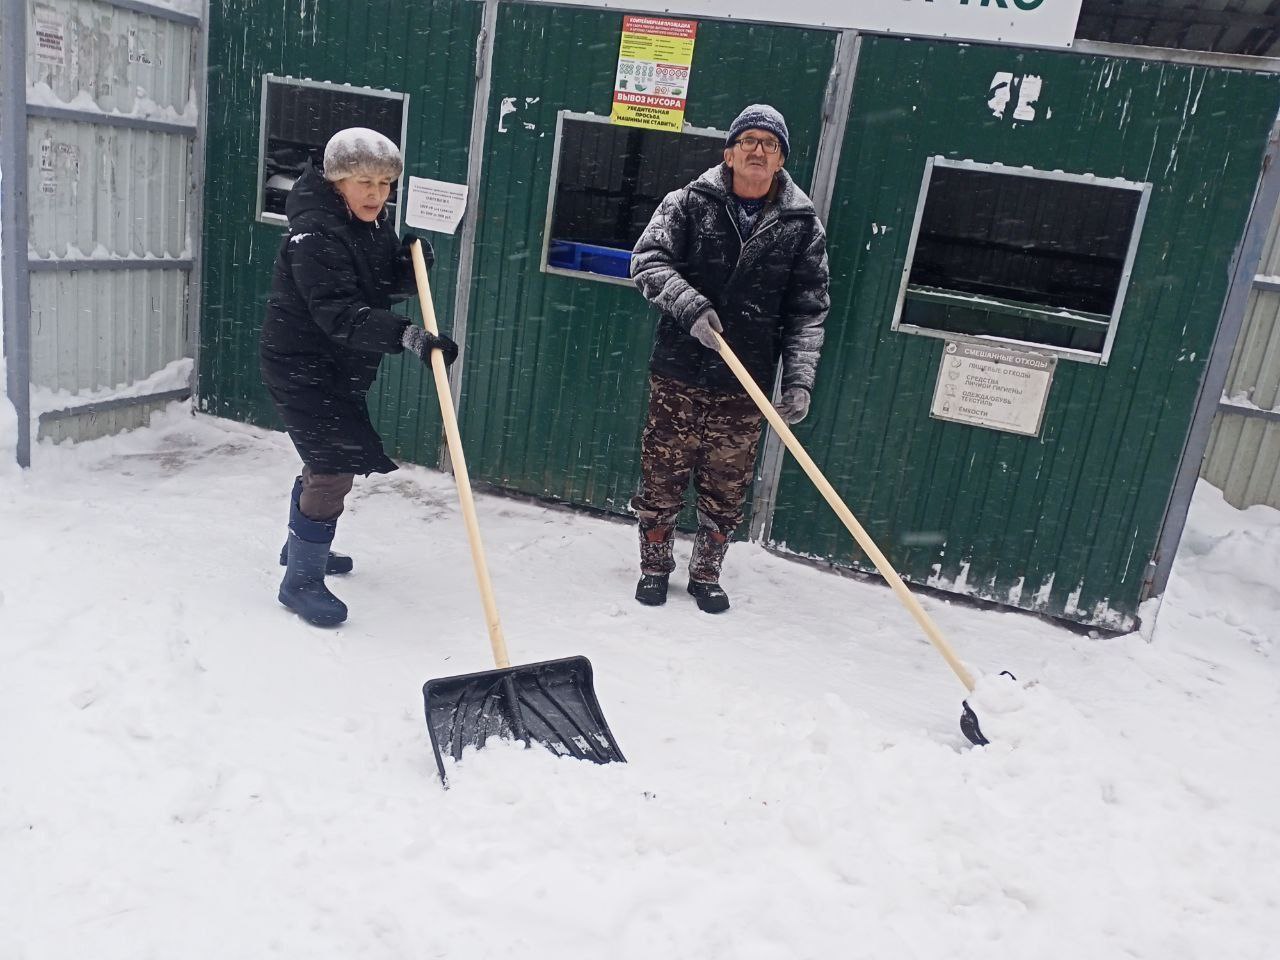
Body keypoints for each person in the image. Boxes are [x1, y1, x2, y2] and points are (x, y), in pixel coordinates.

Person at [629, 104, 831, 613]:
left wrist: (799, 380)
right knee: (663, 473)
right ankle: (654, 567)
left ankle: (706, 574)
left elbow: (808, 311)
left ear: (781, 160)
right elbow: (647, 261)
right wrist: (690, 305)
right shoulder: (688, 204)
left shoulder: (802, 228)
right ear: (729, 152)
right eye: (749, 141)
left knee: (727, 482)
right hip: (679, 368)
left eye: (770, 144)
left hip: (747, 382)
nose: (758, 150)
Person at [260, 127, 458, 627]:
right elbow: (341, 313)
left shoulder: (365, 223)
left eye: (385, 184)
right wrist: (410, 337)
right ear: (336, 182)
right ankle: (301, 581)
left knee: (326, 455)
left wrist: (410, 268)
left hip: (337, 364)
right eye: (363, 182)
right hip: (302, 364)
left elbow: (370, 284)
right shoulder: (313, 236)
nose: (376, 194)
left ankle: (301, 549)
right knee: (332, 463)